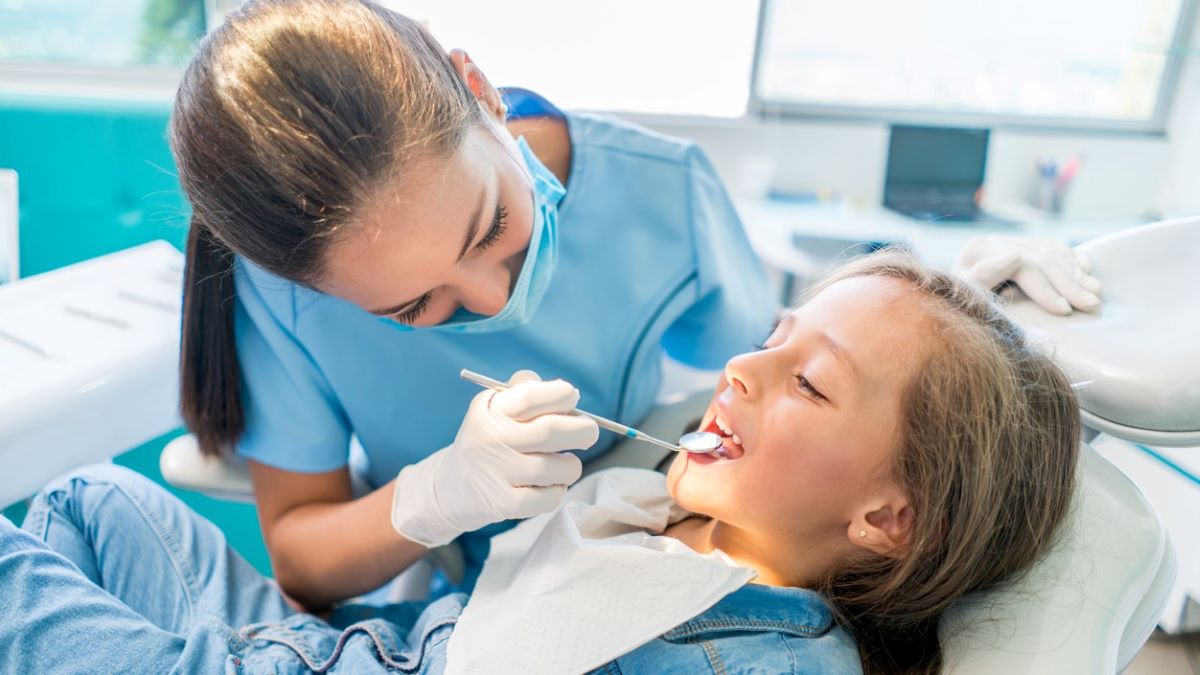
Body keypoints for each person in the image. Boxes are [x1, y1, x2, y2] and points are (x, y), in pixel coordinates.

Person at [170, 0, 1099, 610]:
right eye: (415, 305)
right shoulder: (279, 295)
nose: (492, 301)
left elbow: (832, 394)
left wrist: (976, 316)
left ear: (479, 90)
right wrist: (429, 498)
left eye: (493, 225)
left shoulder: (663, 192)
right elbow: (301, 555)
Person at [0, 252, 1080, 674]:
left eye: (808, 382)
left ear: (891, 521)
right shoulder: (666, 510)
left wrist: (966, 373)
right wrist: (954, 298)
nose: (746, 366)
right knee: (93, 499)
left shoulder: (761, 662)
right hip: (334, 647)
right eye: (776, 334)